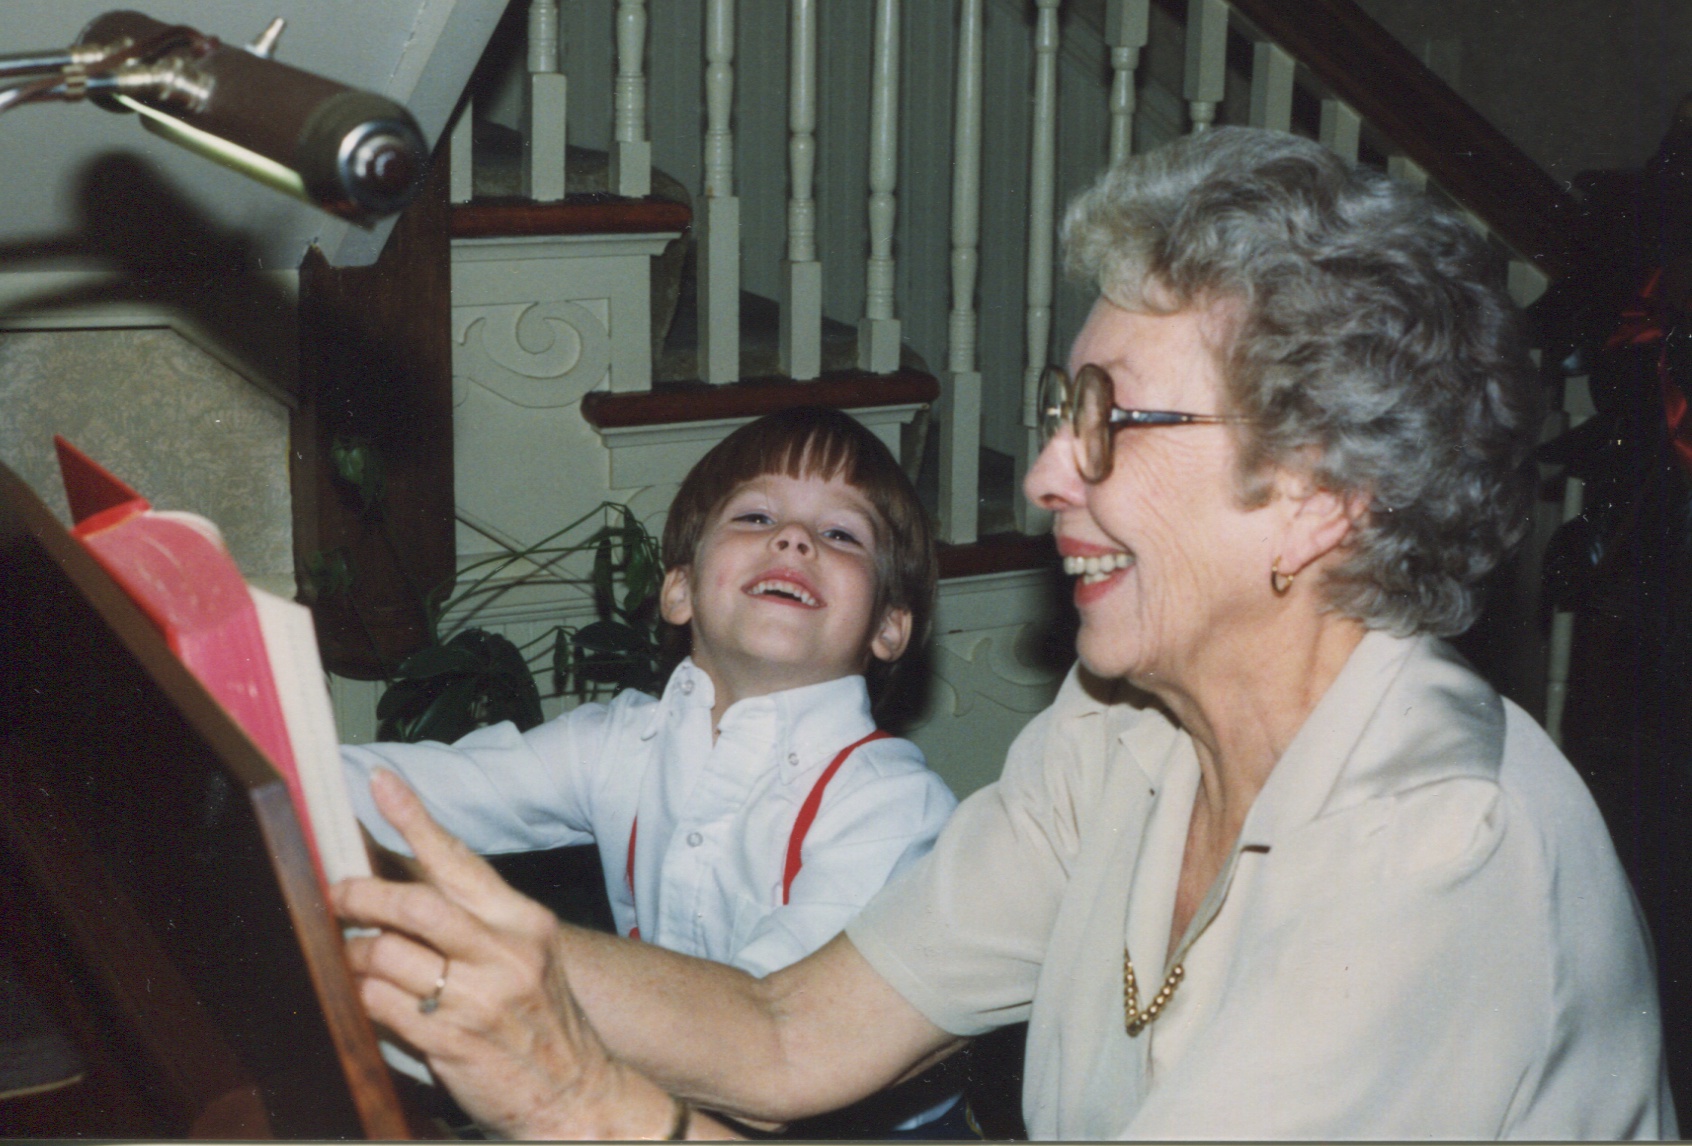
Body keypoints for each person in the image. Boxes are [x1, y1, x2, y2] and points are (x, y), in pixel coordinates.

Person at [333, 127, 1676, 1139]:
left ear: (1316, 499)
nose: (1043, 470)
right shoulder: (1122, 734)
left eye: (1108, 418)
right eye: (1057, 408)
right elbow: (795, 1026)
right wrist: (429, 942)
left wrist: (588, 1104)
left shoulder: (1428, 860)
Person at [339, 406, 962, 1132]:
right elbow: (416, 791)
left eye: (840, 533)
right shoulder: (621, 742)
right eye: (756, 517)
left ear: (889, 626)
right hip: (679, 1095)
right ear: (679, 590)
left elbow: (768, 1029)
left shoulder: (890, 806)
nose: (794, 538)